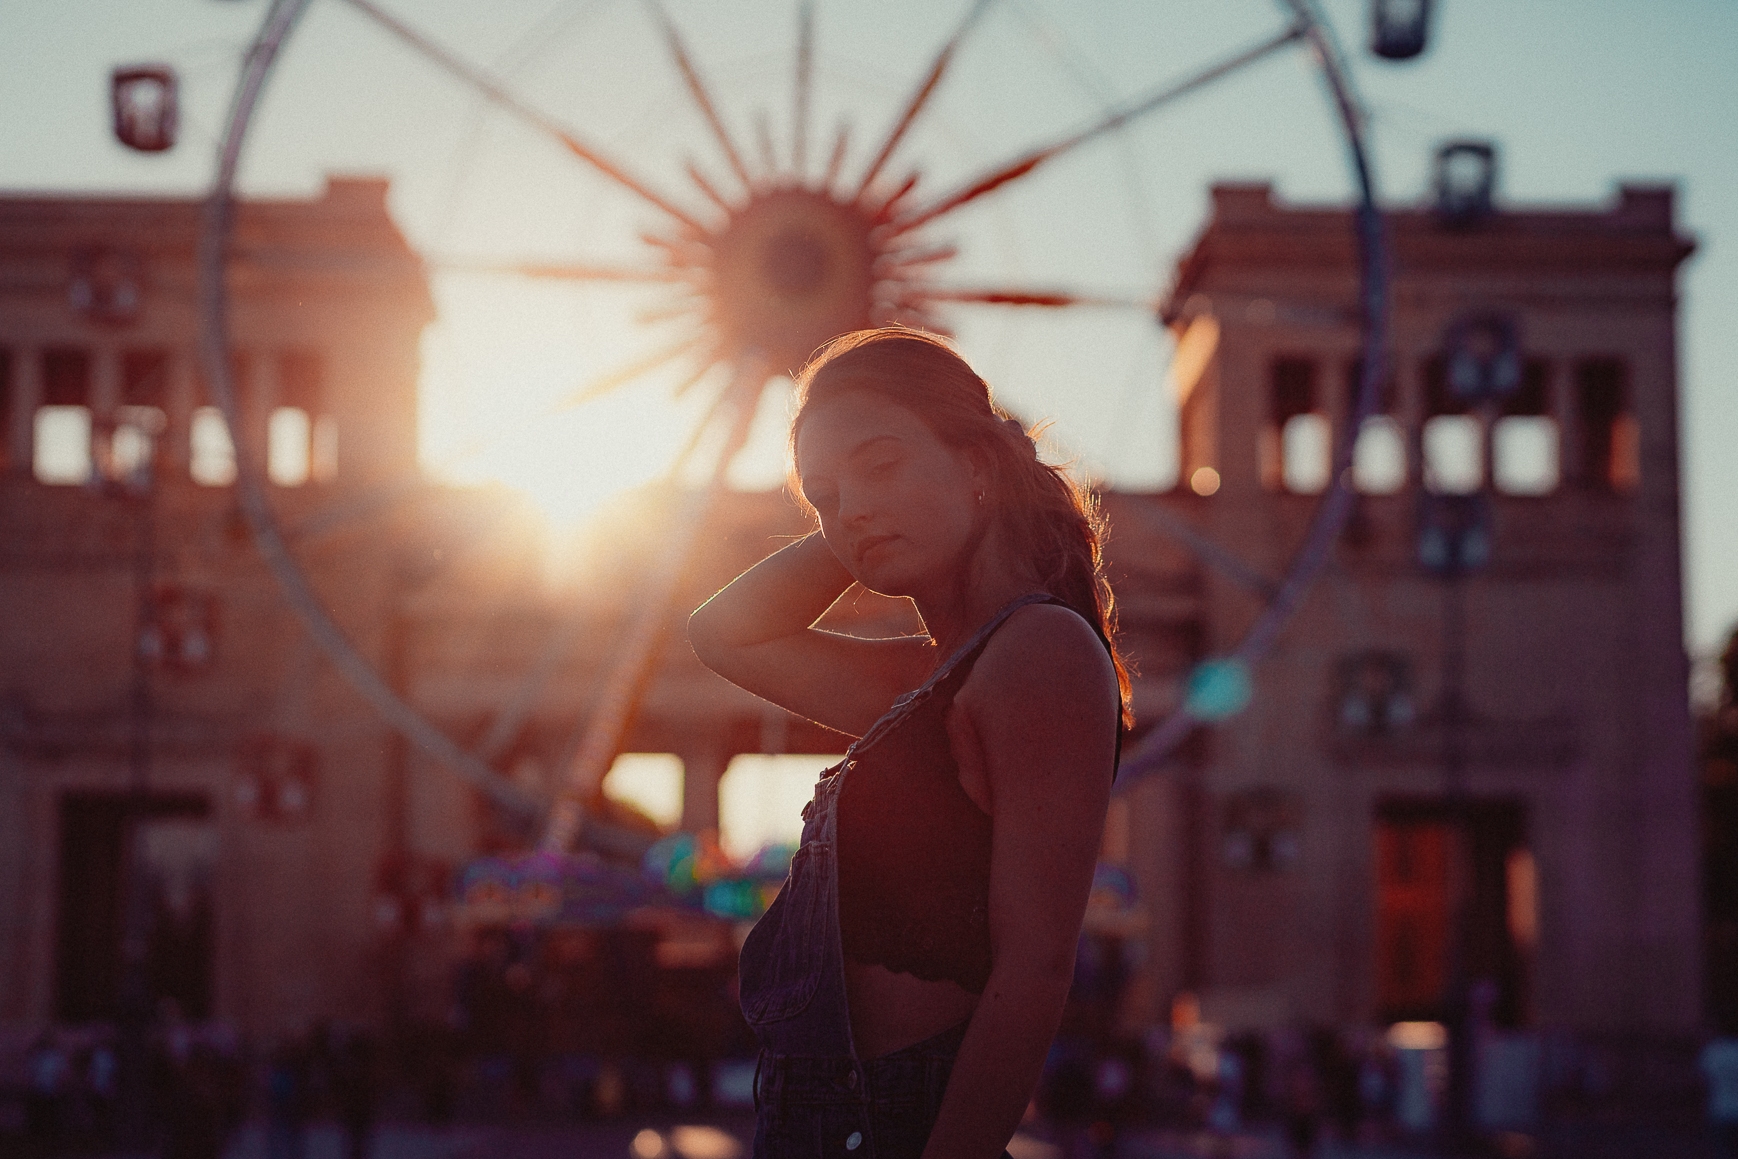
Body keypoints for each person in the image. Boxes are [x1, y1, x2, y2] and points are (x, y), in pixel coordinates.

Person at [689, 327, 1129, 1158]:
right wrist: (866, 513)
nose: (847, 507)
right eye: (821, 494)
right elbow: (722, 633)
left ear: (979, 466)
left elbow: (1034, 970)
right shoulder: (935, 676)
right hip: (818, 1119)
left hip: (895, 1121)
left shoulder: (1040, 653)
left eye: (880, 463)